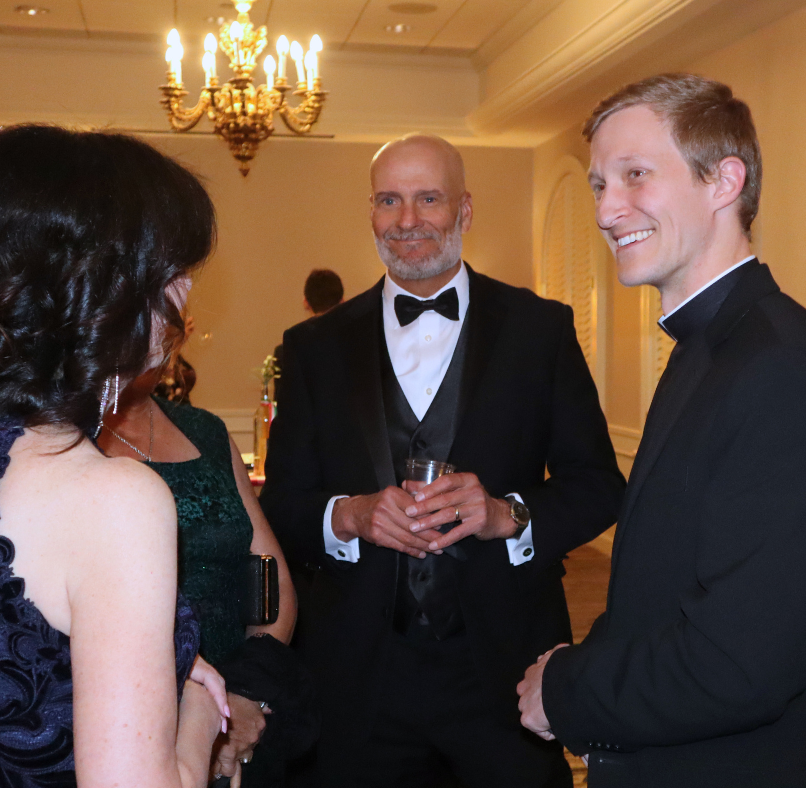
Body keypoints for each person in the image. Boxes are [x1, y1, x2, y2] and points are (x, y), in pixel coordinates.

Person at [261, 133, 625, 787]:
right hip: (357, 677)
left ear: (465, 209)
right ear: (371, 212)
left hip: (506, 671)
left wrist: (505, 516)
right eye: (389, 201)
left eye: (428, 198)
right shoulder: (313, 347)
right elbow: (282, 503)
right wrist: (348, 516)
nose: (408, 220)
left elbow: (597, 484)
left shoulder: (540, 330)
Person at [0, 125, 230, 787]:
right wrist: (201, 715)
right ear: (102, 292)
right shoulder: (114, 499)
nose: (184, 291)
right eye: (169, 272)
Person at [518, 73, 806, 787]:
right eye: (598, 185)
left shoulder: (778, 365)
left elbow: (741, 661)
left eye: (635, 175)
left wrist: (566, 690)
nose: (606, 209)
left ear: (724, 181)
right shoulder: (712, 348)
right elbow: (663, 587)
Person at [97, 338, 303, 786]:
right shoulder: (61, 442)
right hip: (121, 728)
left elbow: (271, 578)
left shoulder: (205, 431)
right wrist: (198, 722)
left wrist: (243, 697)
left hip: (245, 713)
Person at [273, 269, 344, 384]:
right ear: (342, 302)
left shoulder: (285, 351)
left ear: (306, 302)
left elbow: (284, 395)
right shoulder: (359, 346)